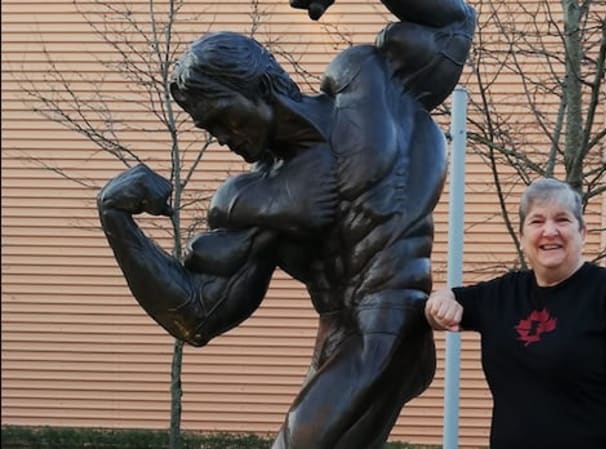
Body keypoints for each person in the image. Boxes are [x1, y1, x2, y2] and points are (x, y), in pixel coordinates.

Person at [96, 1, 476, 448]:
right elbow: (198, 315)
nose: (219, 136)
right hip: (343, 342)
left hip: (393, 324)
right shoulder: (254, 198)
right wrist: (117, 221)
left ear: (258, 85)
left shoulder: (367, 84)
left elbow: (454, 21)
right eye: (207, 127)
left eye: (221, 115)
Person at [425, 178, 606, 449]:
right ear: (523, 237)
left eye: (562, 220)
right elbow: (444, 303)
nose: (550, 231)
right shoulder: (503, 294)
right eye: (537, 222)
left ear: (582, 232)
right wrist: (440, 302)